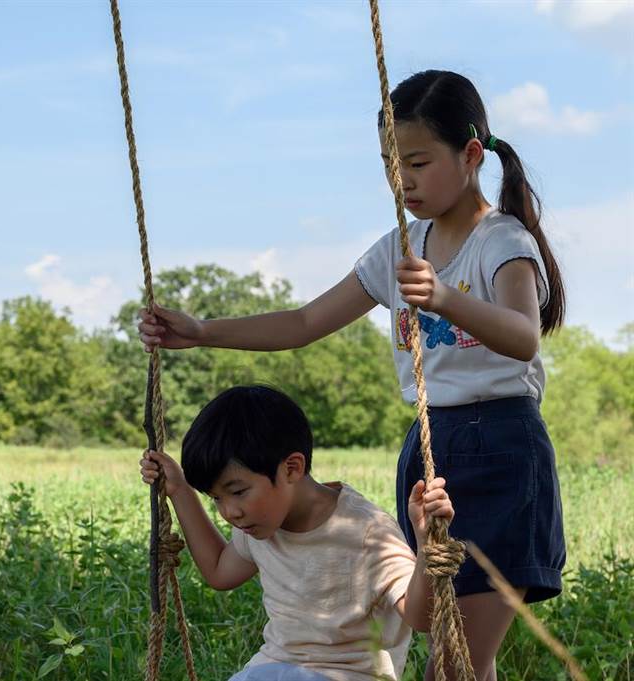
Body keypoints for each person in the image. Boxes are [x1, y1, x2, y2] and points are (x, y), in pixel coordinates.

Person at [137, 70, 566, 680]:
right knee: (448, 654)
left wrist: (444, 297)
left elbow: (524, 336)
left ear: (471, 155)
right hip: (430, 448)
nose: (403, 180)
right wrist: (202, 330)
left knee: (459, 660)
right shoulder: (399, 247)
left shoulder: (500, 241)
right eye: (392, 164)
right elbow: (305, 321)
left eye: (417, 162)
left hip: (500, 447)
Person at [140, 385, 455, 680]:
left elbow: (422, 618)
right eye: (217, 499)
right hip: (273, 668)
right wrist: (179, 490)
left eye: (237, 491)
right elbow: (220, 572)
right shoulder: (260, 524)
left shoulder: (366, 531)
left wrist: (428, 547)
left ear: (292, 468)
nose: (229, 512)